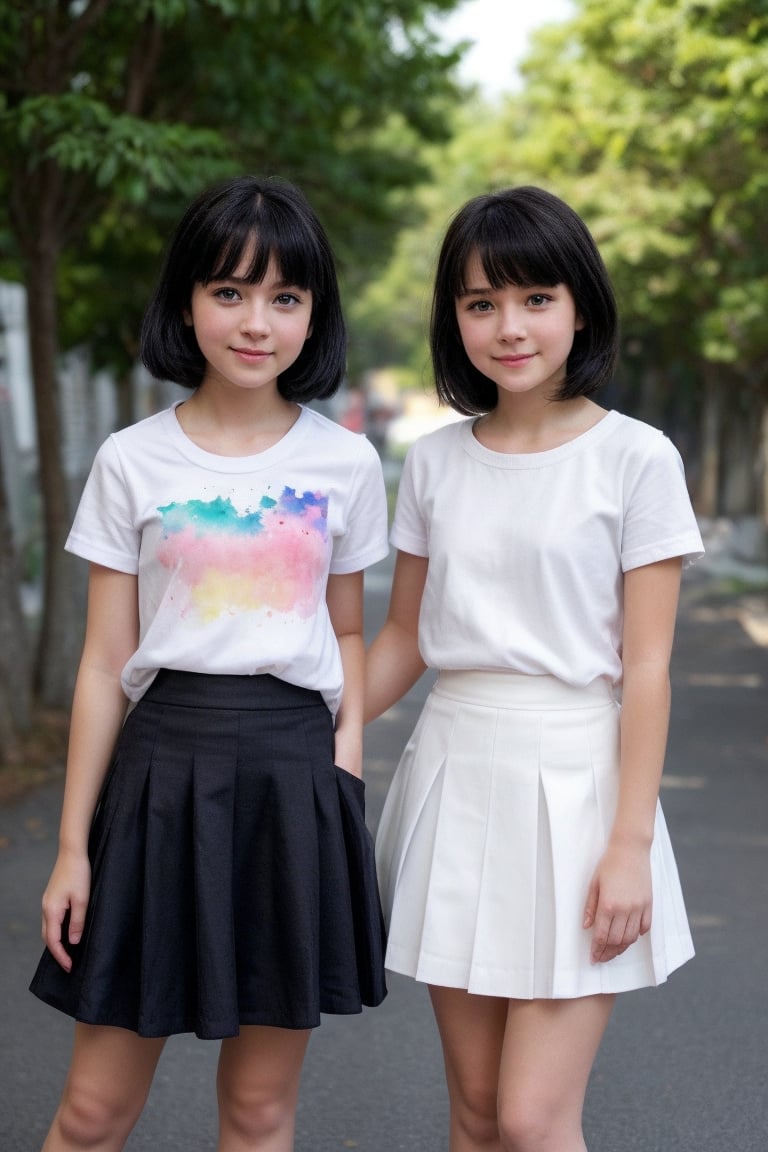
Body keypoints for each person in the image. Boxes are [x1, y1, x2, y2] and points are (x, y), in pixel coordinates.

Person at [30, 174, 389, 1152]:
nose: (256, 322)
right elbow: (106, 663)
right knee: (95, 1112)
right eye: (229, 291)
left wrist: (345, 758)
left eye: (285, 297)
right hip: (159, 769)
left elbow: (350, 631)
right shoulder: (131, 460)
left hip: (294, 777)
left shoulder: (346, 464)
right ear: (187, 302)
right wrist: (72, 848)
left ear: (314, 315)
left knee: (261, 1111)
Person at [366, 186, 703, 1152]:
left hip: (581, 793)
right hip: (455, 779)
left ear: (580, 305)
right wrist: (310, 728)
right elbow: (405, 640)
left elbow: (648, 668)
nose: (508, 326)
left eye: (535, 298)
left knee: (533, 1119)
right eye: (480, 304)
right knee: (474, 1117)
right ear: (454, 319)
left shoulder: (637, 459)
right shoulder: (432, 464)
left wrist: (630, 843)